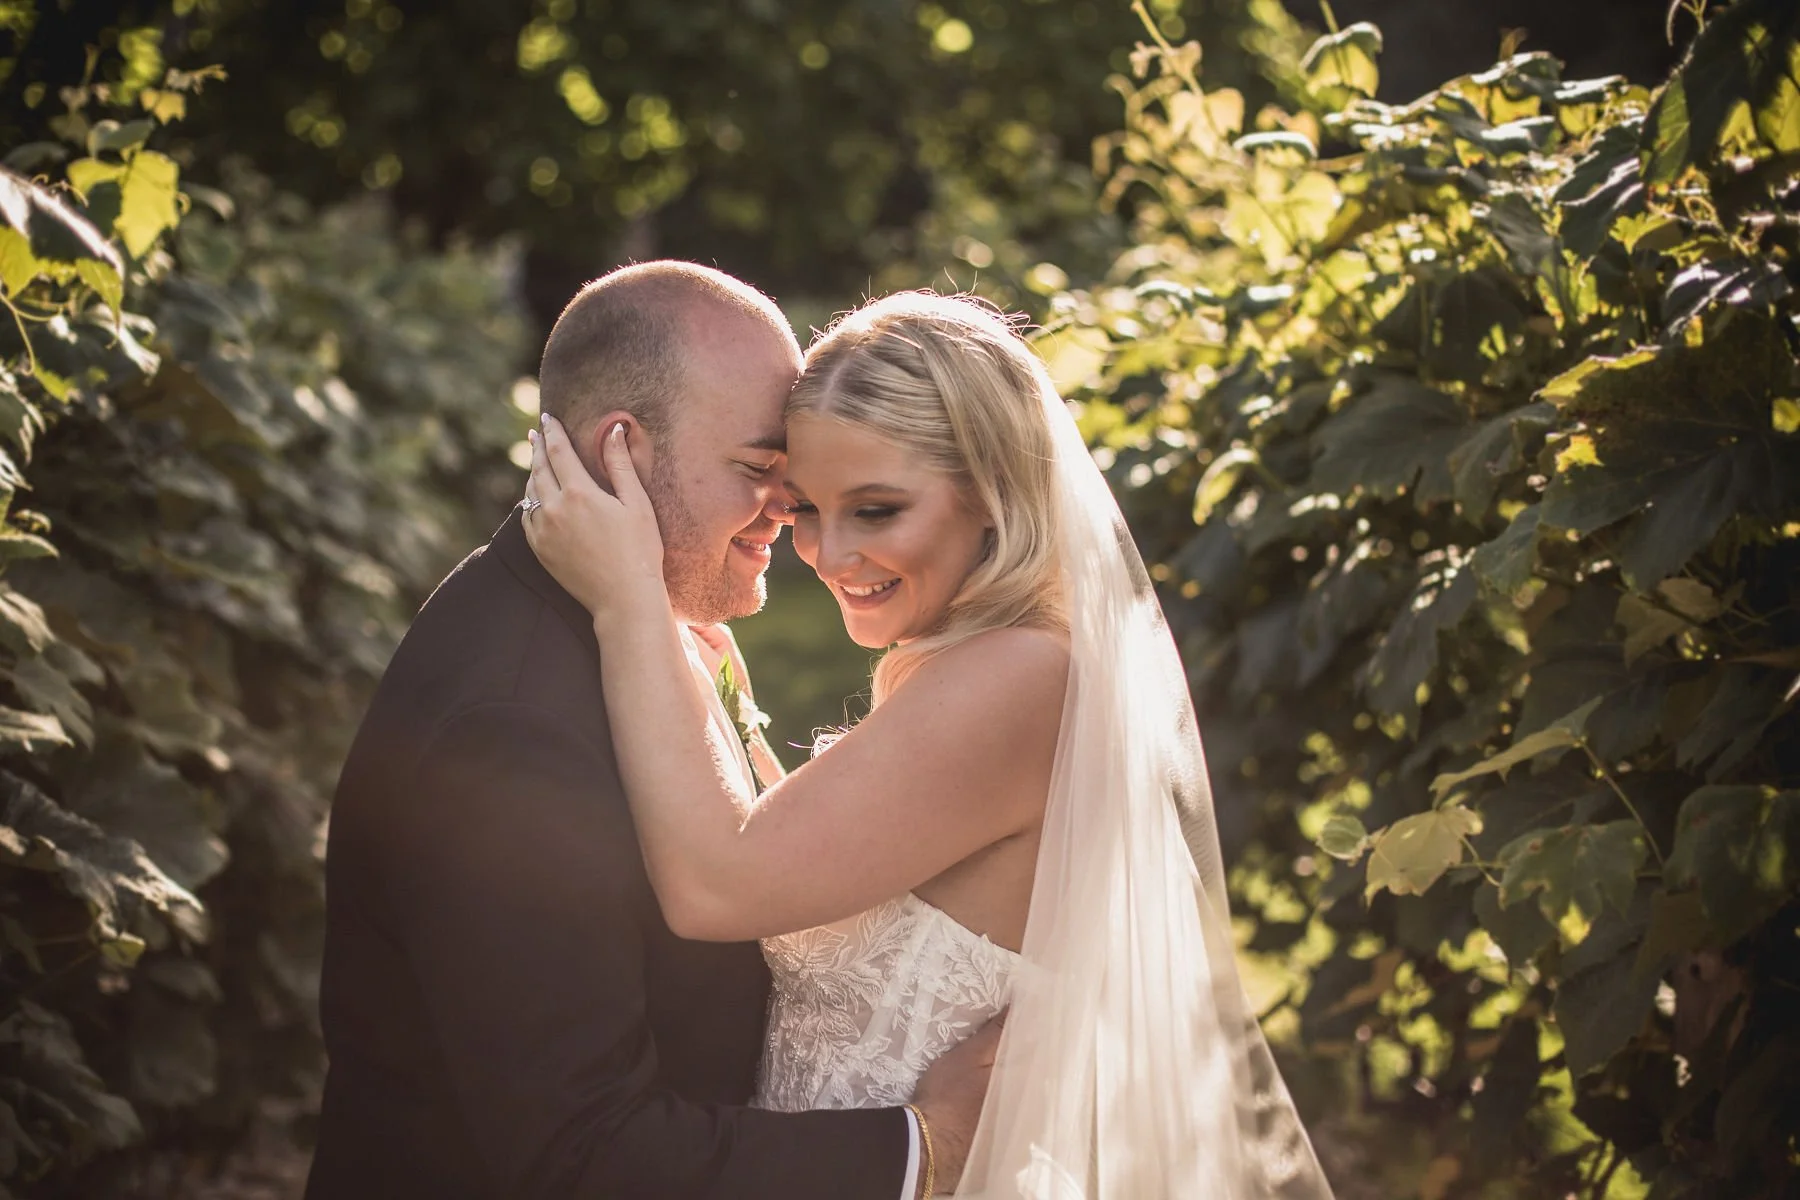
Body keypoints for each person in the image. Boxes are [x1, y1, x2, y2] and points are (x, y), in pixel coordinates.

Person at [521, 290, 1338, 1197]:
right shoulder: (976, 666)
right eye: (805, 510)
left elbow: (716, 886)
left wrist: (630, 599)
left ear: (991, 494)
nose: (830, 555)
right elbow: (827, 865)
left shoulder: (1019, 678)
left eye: (876, 510)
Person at [306, 263, 996, 1200]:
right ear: (621, 451)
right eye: (758, 469)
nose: (791, 509)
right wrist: (927, 1149)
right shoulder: (513, 728)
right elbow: (581, 1155)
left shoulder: (632, 628)